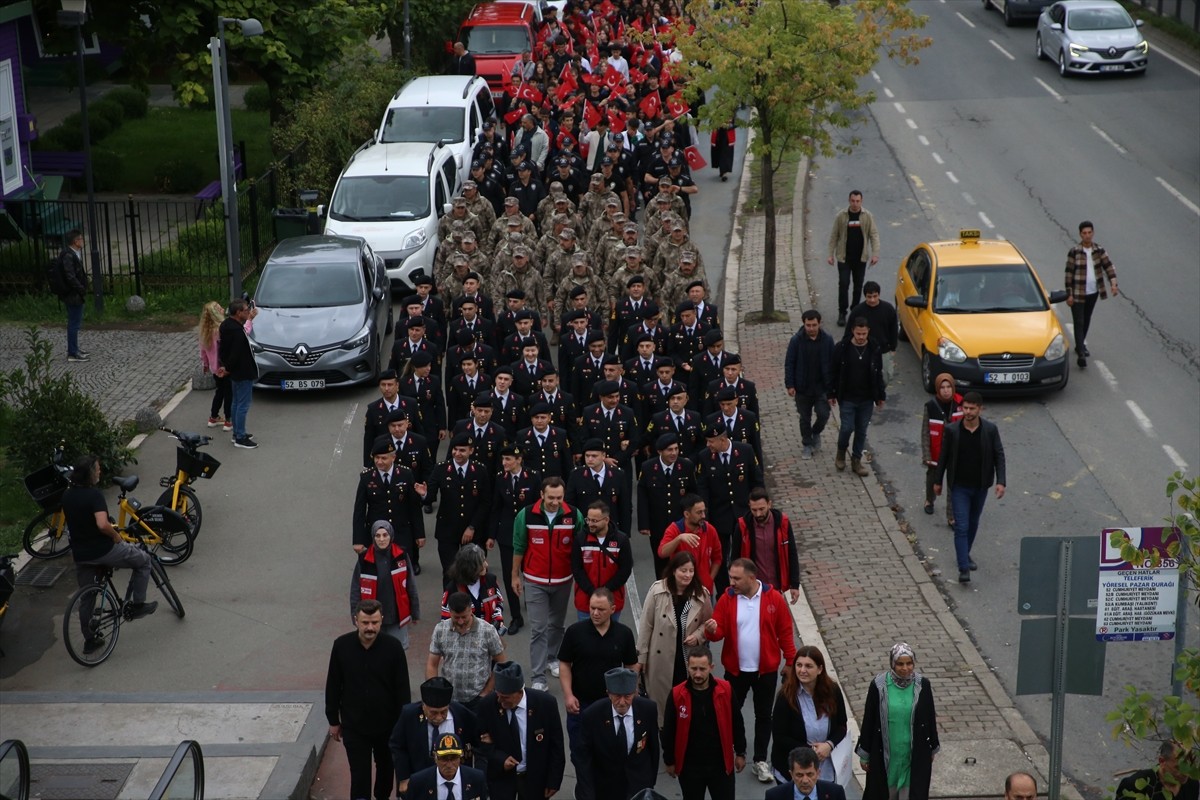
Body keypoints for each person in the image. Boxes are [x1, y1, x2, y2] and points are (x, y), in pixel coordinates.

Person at [703, 558, 798, 785]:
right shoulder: (727, 599)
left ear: (752, 578)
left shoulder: (774, 598)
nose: (731, 582)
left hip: (765, 671)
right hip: (736, 671)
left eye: (736, 578)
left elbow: (785, 631)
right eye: (731, 577)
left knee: (764, 715)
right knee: (729, 713)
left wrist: (790, 661)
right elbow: (719, 632)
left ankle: (760, 760)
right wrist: (711, 631)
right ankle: (736, 752)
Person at [62, 455, 157, 653]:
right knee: (144, 561)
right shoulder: (94, 496)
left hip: (81, 554)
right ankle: (138, 604)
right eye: (97, 469)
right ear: (89, 474)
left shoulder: (68, 496)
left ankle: (90, 640)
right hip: (103, 550)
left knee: (87, 596)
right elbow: (102, 524)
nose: (100, 471)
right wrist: (116, 536)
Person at [557, 587, 639, 800]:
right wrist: (568, 695)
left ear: (613, 609)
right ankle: (584, 794)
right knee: (581, 754)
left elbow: (632, 665)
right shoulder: (575, 632)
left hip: (610, 709)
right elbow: (564, 664)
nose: (595, 613)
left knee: (608, 755)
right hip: (581, 706)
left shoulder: (623, 634)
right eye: (592, 608)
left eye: (601, 609)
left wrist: (628, 696)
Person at [325, 599, 411, 800]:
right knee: (359, 776)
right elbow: (333, 685)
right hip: (355, 725)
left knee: (386, 773)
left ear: (381, 620)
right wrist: (333, 720)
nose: (370, 627)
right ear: (356, 620)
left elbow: (402, 689)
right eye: (365, 623)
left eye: (374, 622)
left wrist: (403, 725)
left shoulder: (393, 647)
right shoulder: (341, 646)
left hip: (388, 726)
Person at [511, 477, 583, 691]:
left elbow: (580, 546)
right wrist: (515, 575)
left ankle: (553, 658)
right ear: (541, 495)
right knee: (538, 629)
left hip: (563, 580)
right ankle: (538, 676)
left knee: (557, 625)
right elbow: (519, 546)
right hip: (535, 581)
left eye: (559, 498)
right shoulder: (526, 515)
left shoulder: (574, 515)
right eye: (551, 497)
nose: (555, 502)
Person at [932, 392, 1006, 584]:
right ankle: (963, 567)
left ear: (980, 409)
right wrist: (938, 481)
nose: (968, 412)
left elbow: (999, 455)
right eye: (965, 408)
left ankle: (965, 554)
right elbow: (943, 458)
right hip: (959, 487)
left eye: (972, 408)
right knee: (961, 526)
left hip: (980, 486)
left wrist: (1001, 481)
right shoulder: (952, 430)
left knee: (973, 523)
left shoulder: (990, 430)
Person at [637, 551, 713, 728]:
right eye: (683, 570)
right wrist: (641, 659)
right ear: (673, 571)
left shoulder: (702, 595)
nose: (687, 575)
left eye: (691, 571)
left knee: (686, 700)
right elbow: (646, 626)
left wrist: (699, 635)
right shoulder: (657, 591)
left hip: (687, 658)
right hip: (660, 658)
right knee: (661, 704)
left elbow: (708, 624)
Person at [856, 643, 940, 800]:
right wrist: (865, 754)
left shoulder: (923, 685)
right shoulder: (879, 685)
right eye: (900, 664)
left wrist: (932, 747)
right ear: (892, 664)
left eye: (909, 663)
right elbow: (869, 720)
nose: (905, 668)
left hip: (912, 756)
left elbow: (929, 718)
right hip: (887, 755)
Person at [661, 648, 746, 800]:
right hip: (690, 768)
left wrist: (740, 752)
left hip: (720, 766)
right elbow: (668, 730)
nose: (698, 674)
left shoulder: (725, 690)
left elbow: (737, 723)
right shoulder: (676, 694)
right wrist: (669, 760)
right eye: (693, 669)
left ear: (711, 667)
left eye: (702, 669)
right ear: (688, 666)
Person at [476, 662, 566, 800]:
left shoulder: (545, 704)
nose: (500, 700)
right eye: (498, 695)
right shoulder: (488, 705)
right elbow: (479, 742)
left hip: (535, 780)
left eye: (505, 697)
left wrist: (554, 781)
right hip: (502, 781)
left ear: (520, 691)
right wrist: (500, 759)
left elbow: (556, 745)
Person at [577, 667, 660, 800]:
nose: (622, 702)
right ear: (608, 693)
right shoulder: (592, 715)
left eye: (627, 696)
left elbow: (653, 749)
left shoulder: (648, 710)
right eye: (617, 696)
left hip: (638, 786)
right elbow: (583, 757)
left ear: (635, 693)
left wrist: (650, 783)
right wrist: (587, 793)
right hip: (606, 788)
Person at [389, 677, 481, 795]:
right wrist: (404, 778)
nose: (438, 717)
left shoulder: (462, 714)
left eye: (443, 712)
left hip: (452, 782)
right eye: (433, 712)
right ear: (423, 706)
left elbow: (479, 742)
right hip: (419, 780)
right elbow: (397, 745)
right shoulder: (409, 715)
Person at [770, 647, 849, 785]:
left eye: (808, 666)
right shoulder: (785, 697)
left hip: (825, 768)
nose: (802, 670)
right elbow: (779, 736)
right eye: (799, 665)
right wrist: (811, 751)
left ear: (819, 669)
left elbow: (842, 725)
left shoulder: (833, 691)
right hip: (793, 771)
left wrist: (828, 745)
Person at [427, 591, 508, 713]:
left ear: (471, 610)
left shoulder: (487, 630)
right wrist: (436, 692)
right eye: (456, 617)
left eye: (464, 617)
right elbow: (432, 664)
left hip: (478, 699)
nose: (460, 621)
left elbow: (501, 663)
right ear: (450, 612)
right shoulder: (440, 630)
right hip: (450, 699)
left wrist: (486, 692)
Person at [828, 317, 885, 477]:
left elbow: (878, 373)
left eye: (864, 334)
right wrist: (831, 393)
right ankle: (841, 452)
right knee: (847, 427)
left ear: (868, 332)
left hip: (866, 398)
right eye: (858, 333)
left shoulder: (874, 348)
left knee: (861, 430)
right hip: (847, 397)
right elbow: (833, 371)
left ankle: (856, 460)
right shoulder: (842, 348)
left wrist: (880, 395)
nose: (861, 337)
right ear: (853, 331)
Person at [351, 520, 416, 650]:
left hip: (396, 617)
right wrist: (355, 615)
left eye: (385, 535)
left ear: (391, 536)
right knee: (374, 654)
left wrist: (415, 612)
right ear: (373, 538)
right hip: (371, 619)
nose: (381, 539)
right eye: (378, 535)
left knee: (397, 652)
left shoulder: (401, 556)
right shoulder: (364, 560)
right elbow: (355, 590)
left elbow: (411, 586)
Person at [1064, 220, 1119, 369]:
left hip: (1093, 292)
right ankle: (1081, 352)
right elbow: (1068, 274)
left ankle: (1079, 345)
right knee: (1079, 321)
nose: (1087, 236)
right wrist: (1068, 294)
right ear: (1080, 234)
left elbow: (1109, 267)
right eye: (1084, 233)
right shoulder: (1074, 252)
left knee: (1086, 319)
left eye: (1089, 233)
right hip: (1077, 292)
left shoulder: (1099, 251)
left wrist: (1113, 284)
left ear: (1093, 233)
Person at [731, 488, 800, 605]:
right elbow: (735, 558)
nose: (758, 514)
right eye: (754, 510)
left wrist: (794, 584)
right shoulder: (742, 527)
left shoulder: (783, 523)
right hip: (752, 590)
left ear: (769, 504)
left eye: (762, 509)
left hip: (776, 588)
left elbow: (791, 553)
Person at [570, 501, 633, 622]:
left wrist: (606, 590)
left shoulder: (622, 540)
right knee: (586, 637)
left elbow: (625, 569)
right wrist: (591, 591)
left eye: (595, 521)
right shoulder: (580, 539)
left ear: (606, 520)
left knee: (610, 638)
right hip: (585, 601)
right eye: (588, 520)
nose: (590, 524)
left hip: (611, 601)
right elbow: (576, 569)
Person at [784, 310, 835, 459]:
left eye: (814, 325)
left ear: (819, 324)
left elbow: (833, 363)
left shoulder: (827, 340)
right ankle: (807, 444)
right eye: (808, 325)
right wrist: (790, 384)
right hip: (803, 388)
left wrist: (833, 388)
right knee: (804, 417)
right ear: (804, 324)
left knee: (824, 414)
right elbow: (790, 363)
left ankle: (816, 432)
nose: (811, 328)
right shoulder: (796, 341)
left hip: (822, 387)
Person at [825, 190, 880, 327]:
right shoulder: (842, 216)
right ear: (849, 201)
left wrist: (875, 253)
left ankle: (855, 310)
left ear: (861, 201)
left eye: (858, 201)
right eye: (853, 201)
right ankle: (842, 312)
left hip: (860, 258)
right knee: (843, 284)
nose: (855, 204)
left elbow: (874, 235)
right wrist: (830, 254)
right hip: (844, 258)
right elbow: (834, 236)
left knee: (858, 286)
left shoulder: (867, 216)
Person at [658, 494, 724, 594]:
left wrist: (710, 579)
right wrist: (679, 539)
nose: (703, 516)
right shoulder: (674, 529)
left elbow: (717, 558)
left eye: (704, 511)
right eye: (699, 512)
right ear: (687, 514)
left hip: (704, 590)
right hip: (681, 590)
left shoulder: (710, 530)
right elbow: (662, 553)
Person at [920, 373, 962, 525]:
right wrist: (926, 455)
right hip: (936, 452)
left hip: (954, 453)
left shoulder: (960, 404)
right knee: (932, 478)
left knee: (953, 484)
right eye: (942, 387)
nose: (946, 390)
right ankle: (929, 500)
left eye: (949, 387)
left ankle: (951, 517)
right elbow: (925, 432)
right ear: (938, 389)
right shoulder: (930, 406)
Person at [218, 298, 259, 449]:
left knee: (235, 403)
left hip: (234, 372)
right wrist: (228, 368)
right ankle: (240, 437)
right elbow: (235, 354)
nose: (248, 312)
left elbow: (223, 350)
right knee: (243, 405)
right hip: (242, 371)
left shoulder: (226, 325)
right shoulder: (237, 332)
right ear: (238, 312)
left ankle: (237, 433)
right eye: (246, 310)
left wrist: (225, 367)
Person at [441, 542, 505, 635]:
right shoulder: (453, 589)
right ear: (471, 567)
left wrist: (498, 619)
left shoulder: (491, 580)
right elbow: (446, 619)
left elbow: (499, 602)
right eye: (482, 562)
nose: (486, 565)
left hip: (489, 638)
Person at [842, 282, 899, 386]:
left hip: (883, 350)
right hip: (863, 350)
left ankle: (879, 396)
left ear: (879, 295)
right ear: (865, 296)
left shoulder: (888, 309)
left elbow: (893, 329)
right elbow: (849, 331)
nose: (872, 300)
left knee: (885, 378)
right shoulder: (857, 311)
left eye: (875, 296)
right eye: (869, 297)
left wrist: (893, 348)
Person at [407, 733, 488, 799]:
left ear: (460, 757)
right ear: (435, 758)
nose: (449, 765)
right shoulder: (418, 782)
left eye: (454, 758)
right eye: (444, 759)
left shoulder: (477, 778)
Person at [1115, 742, 1197, 800]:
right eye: (1178, 768)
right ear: (1162, 761)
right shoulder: (1134, 785)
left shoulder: (1192, 784)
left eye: (1189, 766)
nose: (1186, 773)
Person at [198, 301, 232, 431]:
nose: (222, 308)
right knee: (229, 393)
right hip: (224, 368)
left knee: (220, 392)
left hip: (214, 368)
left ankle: (213, 417)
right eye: (219, 307)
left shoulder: (205, 332)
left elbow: (203, 352)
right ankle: (228, 420)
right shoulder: (221, 329)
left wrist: (205, 365)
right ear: (215, 313)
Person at [765, 746, 847, 800]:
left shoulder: (835, 793)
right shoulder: (774, 796)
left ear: (818, 773)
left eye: (810, 774)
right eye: (799, 775)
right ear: (791, 774)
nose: (805, 780)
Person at [57, 229, 90, 362]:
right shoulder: (69, 256)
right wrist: (81, 288)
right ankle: (72, 352)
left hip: (75, 293)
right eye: (81, 239)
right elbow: (70, 276)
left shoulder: (73, 253)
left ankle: (75, 348)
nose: (83, 241)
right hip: (73, 295)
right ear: (76, 241)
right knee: (74, 323)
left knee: (75, 322)